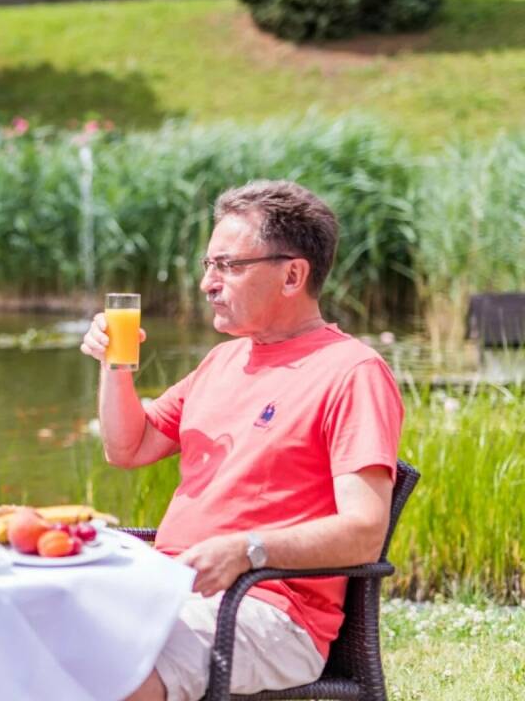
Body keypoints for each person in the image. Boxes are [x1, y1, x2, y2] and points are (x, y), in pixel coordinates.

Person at [80, 180, 403, 701]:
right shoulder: (223, 360)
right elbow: (128, 448)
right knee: (33, 634)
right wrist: (115, 365)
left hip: (267, 609)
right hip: (167, 589)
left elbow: (365, 531)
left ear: (292, 274)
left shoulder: (352, 371)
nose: (208, 282)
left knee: (107, 670)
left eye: (228, 265)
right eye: (208, 265)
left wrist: (248, 550)